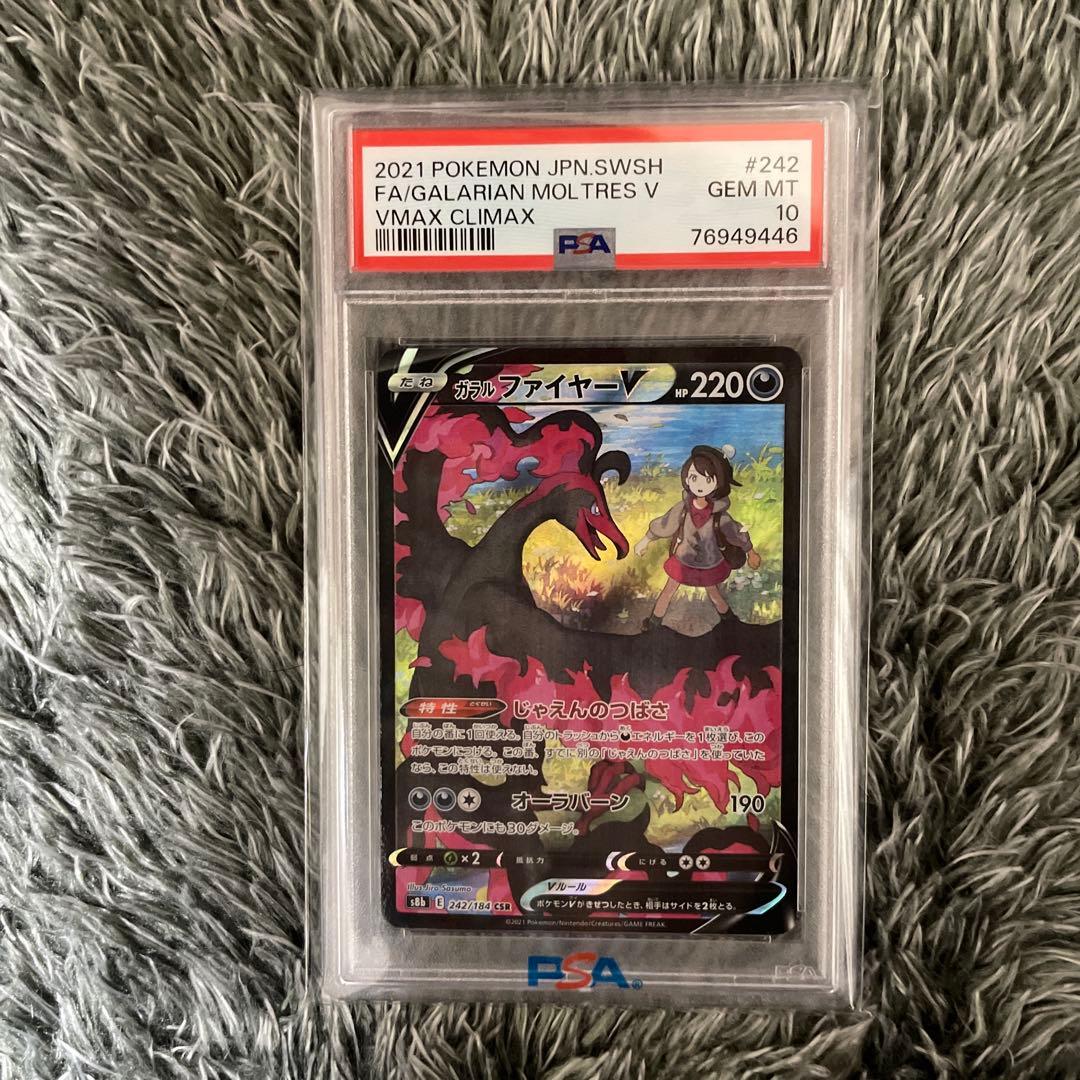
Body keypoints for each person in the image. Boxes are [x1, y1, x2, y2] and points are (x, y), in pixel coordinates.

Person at [635, 444, 761, 628]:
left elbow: (736, 533)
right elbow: (665, 524)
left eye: (708, 479)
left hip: (710, 561)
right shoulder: (682, 509)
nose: (700, 485)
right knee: (669, 590)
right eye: (694, 478)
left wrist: (751, 551)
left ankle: (731, 622)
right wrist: (645, 540)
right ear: (687, 479)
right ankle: (654, 623)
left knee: (713, 593)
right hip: (683, 559)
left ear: (718, 482)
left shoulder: (720, 516)